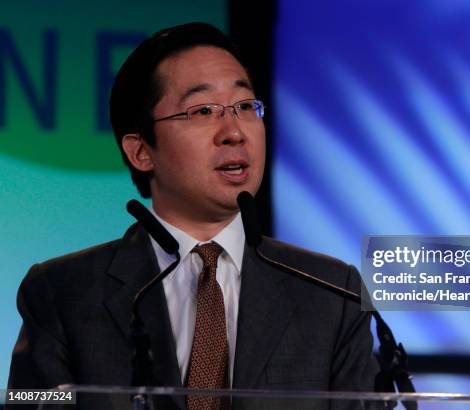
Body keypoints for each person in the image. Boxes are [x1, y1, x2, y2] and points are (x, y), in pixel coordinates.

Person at [8, 22, 379, 409]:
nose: (234, 132)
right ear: (140, 152)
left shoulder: (332, 292)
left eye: (245, 107)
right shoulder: (62, 292)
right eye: (203, 110)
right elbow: (29, 401)